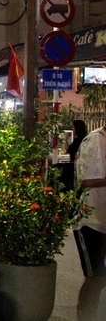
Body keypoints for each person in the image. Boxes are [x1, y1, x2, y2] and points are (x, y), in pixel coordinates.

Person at [73, 125, 106, 321]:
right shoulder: (95, 140)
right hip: (91, 221)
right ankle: (85, 316)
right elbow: (87, 179)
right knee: (96, 277)